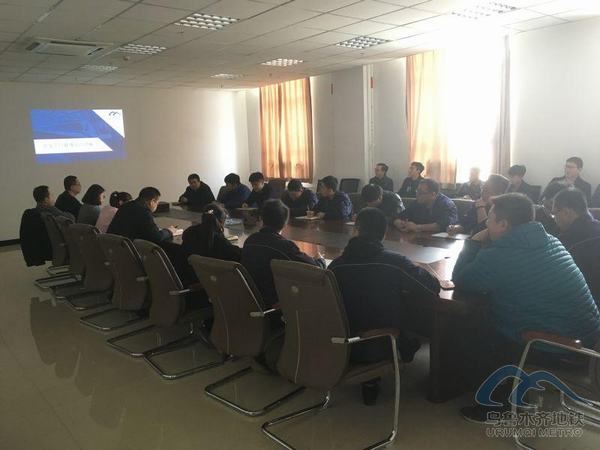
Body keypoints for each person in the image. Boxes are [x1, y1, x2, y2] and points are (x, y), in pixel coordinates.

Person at [452, 193, 600, 422]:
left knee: (475, 326)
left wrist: (473, 242)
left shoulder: (501, 254)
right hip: (589, 336)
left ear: (503, 224)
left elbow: (462, 279)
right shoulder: (550, 240)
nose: (486, 224)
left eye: (490, 219)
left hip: (563, 347)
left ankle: (497, 404)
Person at [329, 208, 441, 403]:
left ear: (356, 230)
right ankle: (402, 349)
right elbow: (431, 288)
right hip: (378, 344)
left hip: (338, 342)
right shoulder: (395, 263)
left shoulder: (335, 266)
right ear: (384, 234)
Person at [241, 200, 325, 307]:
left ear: (261, 218)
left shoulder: (250, 241)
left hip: (249, 300)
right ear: (285, 223)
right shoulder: (284, 246)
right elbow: (313, 270)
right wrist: (320, 261)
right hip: (275, 305)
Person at [553, 188, 600, 304]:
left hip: (585, 302)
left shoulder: (565, 243)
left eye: (554, 214)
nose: (554, 219)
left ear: (566, 212)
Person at [20, 185, 73, 267]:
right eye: (52, 195)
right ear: (46, 199)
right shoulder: (50, 209)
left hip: (46, 247)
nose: (54, 197)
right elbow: (70, 218)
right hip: (56, 247)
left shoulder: (35, 211)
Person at [107, 187, 179, 243]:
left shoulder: (125, 206)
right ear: (152, 201)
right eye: (157, 202)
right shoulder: (144, 212)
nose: (157, 205)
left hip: (112, 247)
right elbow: (156, 237)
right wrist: (169, 231)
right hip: (127, 251)